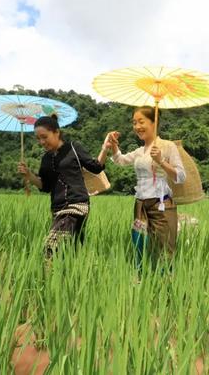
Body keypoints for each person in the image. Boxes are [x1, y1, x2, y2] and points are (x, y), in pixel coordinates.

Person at [105, 106, 186, 271]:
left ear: (154, 122)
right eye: (134, 123)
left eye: (141, 122)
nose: (137, 127)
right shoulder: (140, 151)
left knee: (164, 253)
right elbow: (120, 160)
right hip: (141, 205)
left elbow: (181, 176)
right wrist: (113, 145)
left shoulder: (167, 146)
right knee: (138, 247)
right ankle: (140, 284)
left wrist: (161, 160)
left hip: (161, 206)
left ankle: (166, 291)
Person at [18, 113, 109, 258]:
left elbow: (96, 167)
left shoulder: (73, 148)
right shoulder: (46, 158)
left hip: (76, 206)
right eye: (38, 138)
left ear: (56, 132)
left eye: (44, 137)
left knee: (50, 248)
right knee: (71, 251)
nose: (41, 141)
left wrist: (105, 148)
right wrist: (29, 175)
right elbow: (45, 186)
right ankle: (71, 277)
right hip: (57, 209)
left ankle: (48, 277)